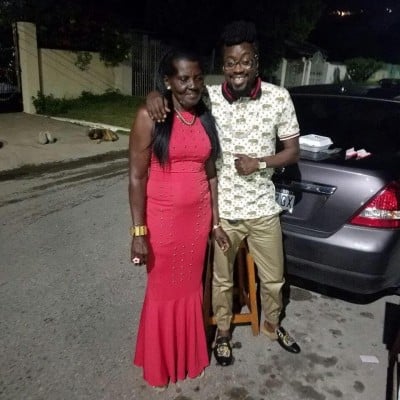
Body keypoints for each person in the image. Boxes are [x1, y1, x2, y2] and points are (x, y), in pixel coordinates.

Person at [146, 20, 301, 367]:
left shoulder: (279, 97)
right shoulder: (210, 97)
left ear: (256, 61)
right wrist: (153, 95)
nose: (237, 69)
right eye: (230, 62)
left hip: (263, 208)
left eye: (245, 61)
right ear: (223, 65)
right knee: (221, 280)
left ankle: (272, 324)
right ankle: (224, 333)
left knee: (274, 279)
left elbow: (293, 152)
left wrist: (260, 162)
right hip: (224, 213)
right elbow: (177, 93)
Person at [128, 47, 230, 390]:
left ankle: (187, 357)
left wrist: (215, 222)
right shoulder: (151, 116)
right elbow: (136, 177)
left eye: (198, 78)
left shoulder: (205, 117)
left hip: (197, 224)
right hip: (163, 224)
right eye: (183, 79)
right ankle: (160, 364)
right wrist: (138, 232)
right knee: (162, 292)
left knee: (190, 290)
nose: (192, 86)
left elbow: (211, 174)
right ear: (168, 81)